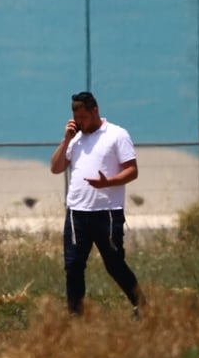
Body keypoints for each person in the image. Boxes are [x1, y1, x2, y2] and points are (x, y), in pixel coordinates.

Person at [49, 90, 146, 318]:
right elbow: (56, 167)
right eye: (76, 118)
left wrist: (108, 183)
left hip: (107, 212)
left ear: (95, 111)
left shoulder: (116, 134)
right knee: (73, 267)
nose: (79, 122)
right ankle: (76, 315)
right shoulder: (75, 139)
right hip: (77, 214)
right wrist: (66, 140)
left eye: (83, 117)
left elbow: (132, 170)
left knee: (114, 264)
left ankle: (141, 305)